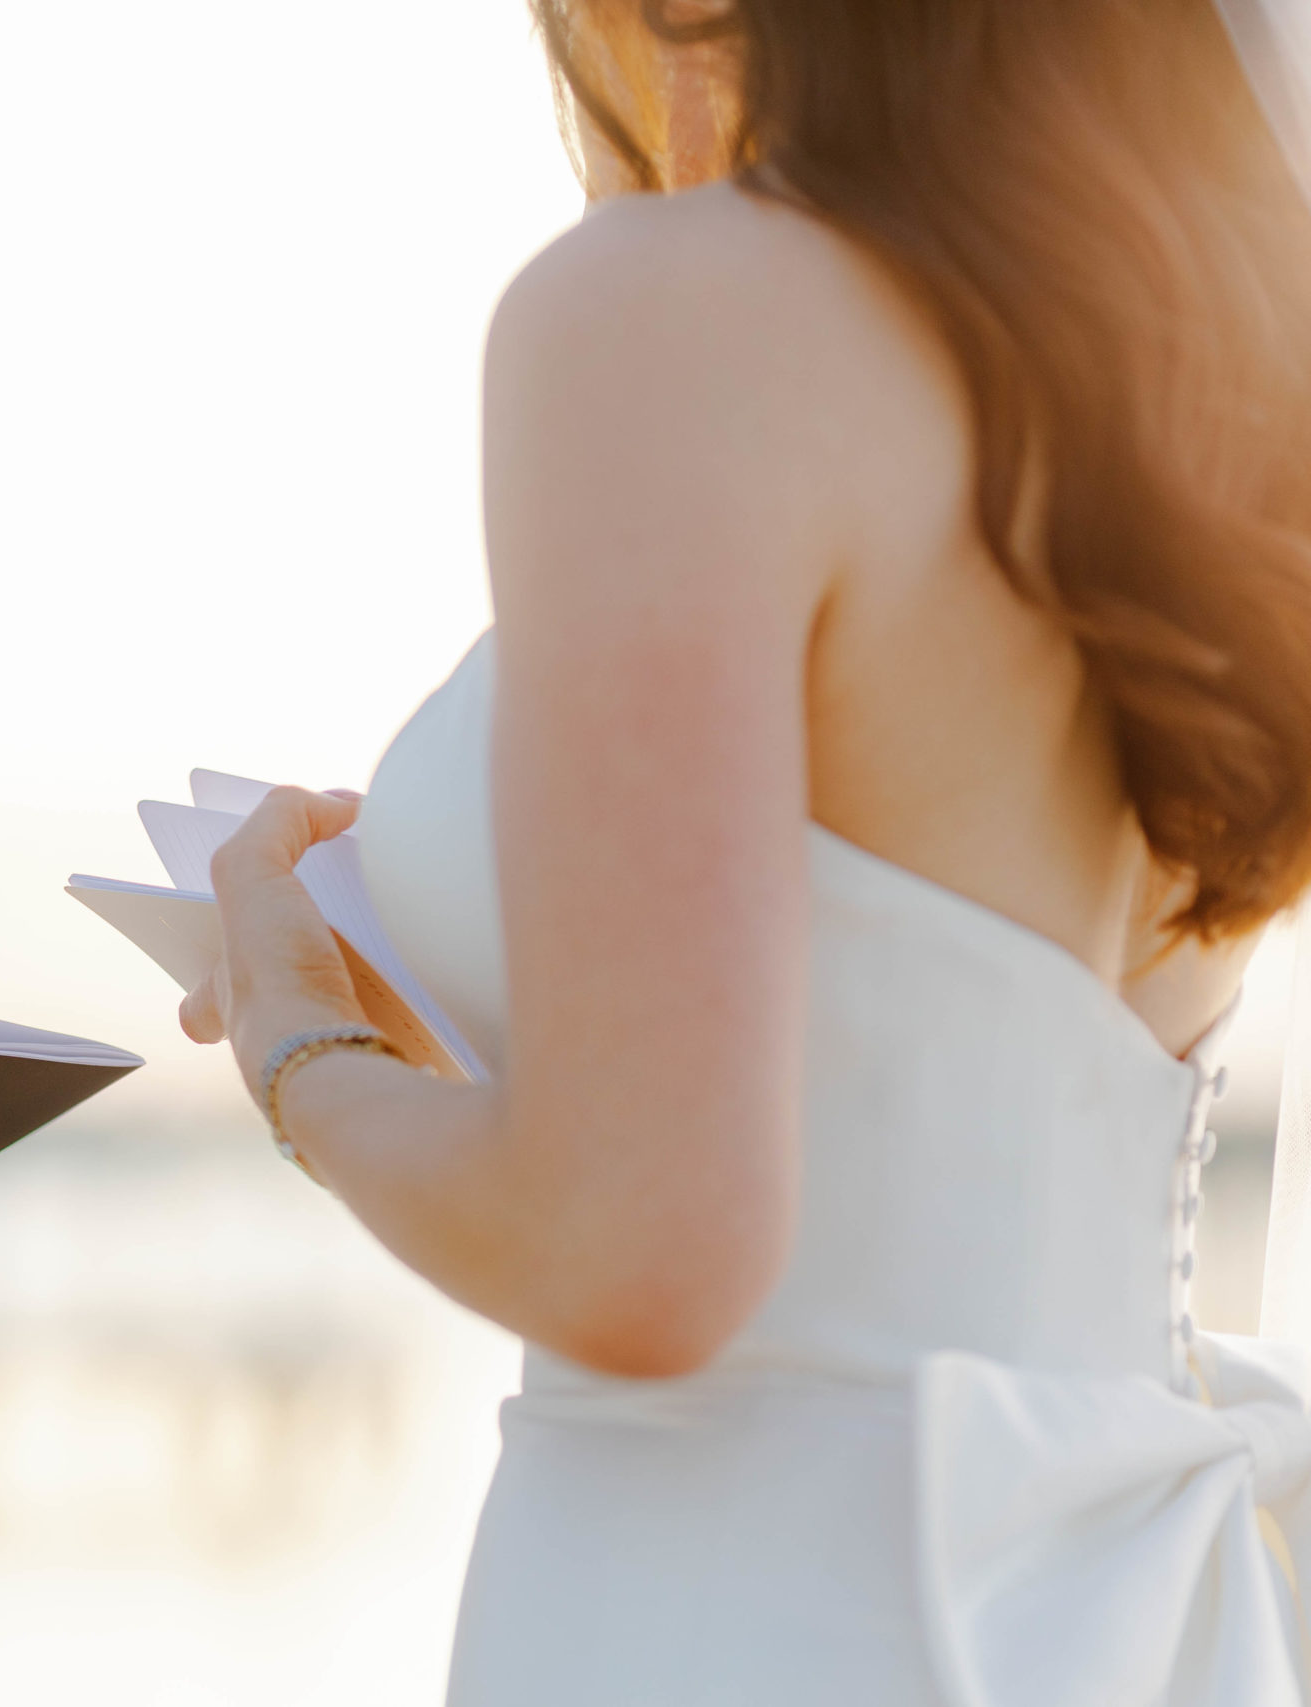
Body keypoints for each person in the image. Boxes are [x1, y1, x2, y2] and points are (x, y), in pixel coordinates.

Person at [181, 0, 1311, 1698]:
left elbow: (641, 1259)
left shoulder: (676, 317)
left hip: (752, 1610)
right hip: (1120, 1624)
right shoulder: (1212, 397)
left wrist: (299, 1042)